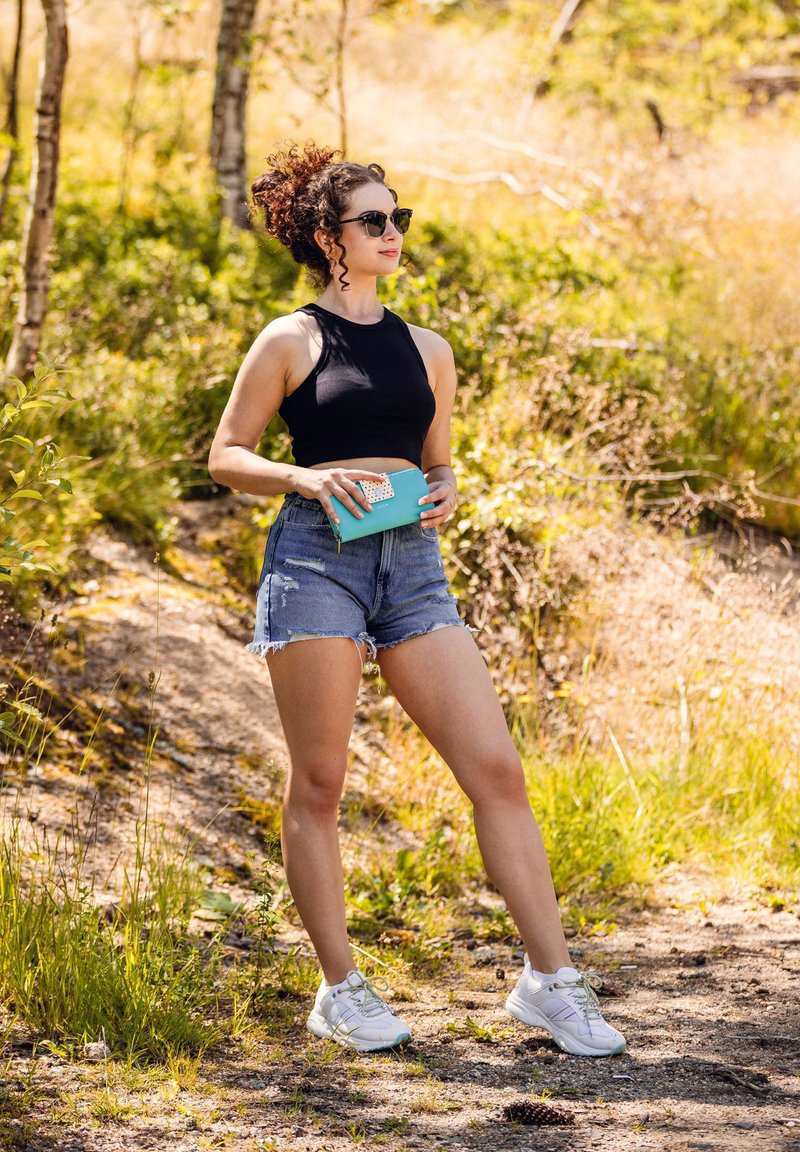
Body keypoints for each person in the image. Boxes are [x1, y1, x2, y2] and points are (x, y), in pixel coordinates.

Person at [207, 142, 627, 1059]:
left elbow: (437, 457)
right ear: (329, 237)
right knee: (319, 784)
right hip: (316, 561)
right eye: (373, 221)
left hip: (411, 566)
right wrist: (305, 480)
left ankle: (551, 984)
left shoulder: (427, 349)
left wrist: (447, 486)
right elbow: (224, 455)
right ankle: (340, 989)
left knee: (497, 770)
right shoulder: (290, 339)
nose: (393, 233)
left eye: (400, 218)